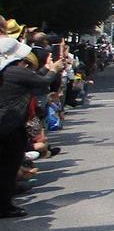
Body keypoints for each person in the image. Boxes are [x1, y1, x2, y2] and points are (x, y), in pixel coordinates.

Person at [0, 37, 66, 218]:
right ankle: (5, 206)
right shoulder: (15, 71)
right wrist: (54, 70)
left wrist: (48, 69)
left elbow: (34, 79)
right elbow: (42, 82)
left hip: (8, 123)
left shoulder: (8, 72)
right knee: (8, 167)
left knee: (7, 166)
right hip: (11, 126)